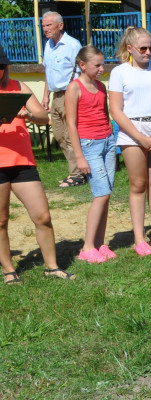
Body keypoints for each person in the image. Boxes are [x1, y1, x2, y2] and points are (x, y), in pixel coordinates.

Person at [0, 46, 75, 281]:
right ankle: (9, 271)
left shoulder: (18, 87)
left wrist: (29, 115)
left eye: (1, 67)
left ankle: (51, 267)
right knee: (1, 220)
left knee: (42, 216)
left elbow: (45, 117)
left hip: (23, 162)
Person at [108, 26, 151, 255]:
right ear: (130, 48)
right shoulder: (119, 72)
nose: (148, 52)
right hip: (132, 133)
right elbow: (116, 111)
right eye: (143, 48)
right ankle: (139, 238)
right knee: (138, 185)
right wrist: (140, 138)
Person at [66, 45, 117, 263]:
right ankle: (87, 247)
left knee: (106, 195)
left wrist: (111, 140)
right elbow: (71, 123)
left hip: (107, 141)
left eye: (102, 64)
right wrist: (79, 156)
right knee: (101, 194)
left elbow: (105, 115)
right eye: (97, 65)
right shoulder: (74, 88)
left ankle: (100, 243)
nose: (101, 68)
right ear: (82, 65)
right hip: (89, 145)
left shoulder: (101, 86)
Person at [39, 11, 85, 187]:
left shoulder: (72, 45)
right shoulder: (48, 45)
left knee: (70, 135)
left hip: (70, 93)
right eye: (43, 26)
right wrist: (46, 95)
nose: (45, 29)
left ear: (60, 25)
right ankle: (74, 171)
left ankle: (78, 174)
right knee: (59, 135)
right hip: (55, 95)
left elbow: (81, 72)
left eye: (49, 25)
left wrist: (76, 94)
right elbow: (47, 72)